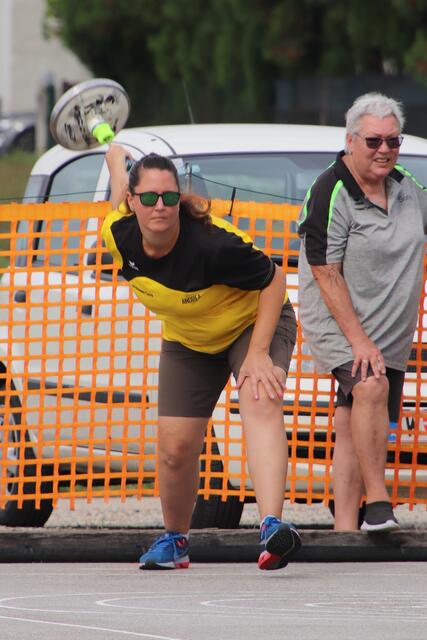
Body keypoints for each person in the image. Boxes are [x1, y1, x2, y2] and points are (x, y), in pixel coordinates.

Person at [102, 144, 301, 570]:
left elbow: (275, 280)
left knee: (260, 396)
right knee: (175, 447)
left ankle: (272, 528)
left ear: (180, 199)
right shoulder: (118, 233)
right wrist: (115, 160)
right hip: (189, 339)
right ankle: (175, 541)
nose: (160, 206)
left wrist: (258, 354)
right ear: (133, 202)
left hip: (252, 322)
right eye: (149, 197)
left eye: (169, 196)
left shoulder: (212, 244)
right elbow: (117, 194)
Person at [297, 92, 427, 532]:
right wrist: (358, 341)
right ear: (350, 140)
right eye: (374, 141)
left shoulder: (406, 187)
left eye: (393, 140)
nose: (384, 150)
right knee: (369, 387)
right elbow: (324, 271)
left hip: (389, 325)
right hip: (338, 319)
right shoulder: (329, 190)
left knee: (351, 416)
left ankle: (345, 530)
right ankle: (378, 505)